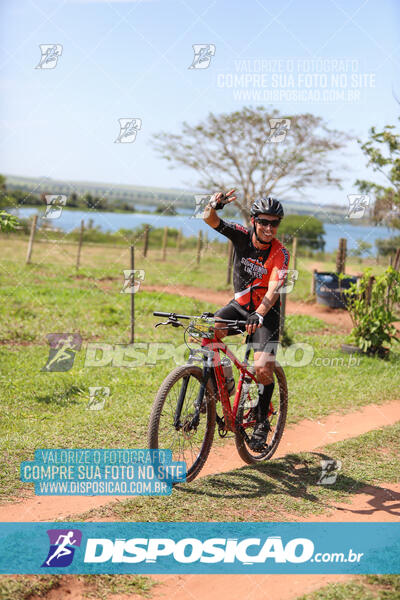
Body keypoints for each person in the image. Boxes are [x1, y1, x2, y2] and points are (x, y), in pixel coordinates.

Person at [203, 190, 290, 451]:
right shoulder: (241, 236)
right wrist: (213, 205)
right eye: (263, 222)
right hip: (239, 308)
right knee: (206, 331)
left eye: (274, 223)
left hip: (266, 314)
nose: (268, 228)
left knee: (262, 368)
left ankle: (262, 422)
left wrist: (261, 313)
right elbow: (210, 219)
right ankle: (225, 383)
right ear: (254, 221)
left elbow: (274, 289)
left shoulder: (280, 253)